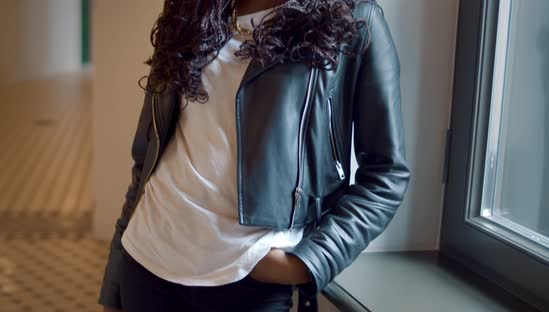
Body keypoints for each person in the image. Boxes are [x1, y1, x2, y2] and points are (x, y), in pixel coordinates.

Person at [98, 0, 410, 311]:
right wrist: (115, 279)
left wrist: (310, 263)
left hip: (249, 282)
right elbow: (147, 157)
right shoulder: (189, 7)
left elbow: (386, 175)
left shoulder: (355, 18)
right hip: (147, 260)